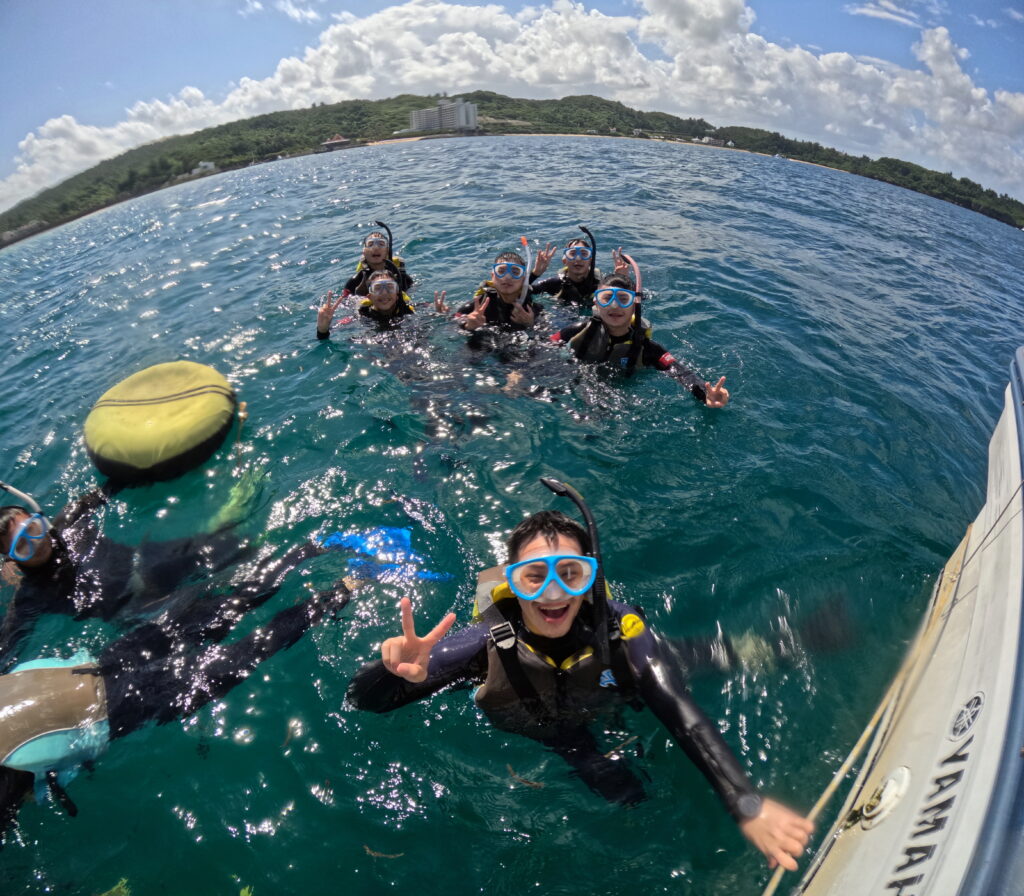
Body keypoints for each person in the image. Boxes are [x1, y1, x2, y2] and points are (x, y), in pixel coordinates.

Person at [348, 480, 813, 872]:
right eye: (535, 576)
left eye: (570, 573)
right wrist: (391, 674)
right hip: (545, 724)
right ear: (513, 581)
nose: (553, 592)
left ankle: (795, 641)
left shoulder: (624, 633)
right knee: (623, 793)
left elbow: (681, 712)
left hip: (610, 683)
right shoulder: (481, 643)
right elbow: (362, 701)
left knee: (705, 657)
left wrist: (745, 802)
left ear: (590, 579)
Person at [0, 544, 353, 834]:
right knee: (228, 608)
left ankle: (343, 587)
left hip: (125, 698)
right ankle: (317, 551)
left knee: (243, 646)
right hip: (111, 665)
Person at [0, 478, 259, 669]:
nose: (36, 542)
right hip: (142, 611)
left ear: (38, 517)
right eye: (22, 545)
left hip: (153, 564)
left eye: (33, 528)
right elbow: (7, 647)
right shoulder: (31, 596)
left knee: (241, 547)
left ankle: (227, 520)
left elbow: (115, 484)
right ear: (11, 556)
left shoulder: (70, 521)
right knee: (225, 614)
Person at [551, 269, 730, 407]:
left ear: (635, 304)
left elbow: (681, 373)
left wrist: (704, 394)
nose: (614, 305)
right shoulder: (578, 330)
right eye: (606, 298)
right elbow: (545, 345)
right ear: (596, 303)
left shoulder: (647, 349)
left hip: (619, 395)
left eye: (623, 299)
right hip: (572, 384)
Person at [437, 251, 543, 333]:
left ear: (524, 279)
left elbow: (548, 339)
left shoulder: (533, 310)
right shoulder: (478, 305)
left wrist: (530, 324)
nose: (508, 276)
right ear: (493, 277)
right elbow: (451, 324)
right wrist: (468, 326)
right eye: (501, 271)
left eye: (516, 272)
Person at [316, 269, 417, 337]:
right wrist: (322, 329)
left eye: (390, 287)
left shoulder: (409, 312)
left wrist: (434, 314)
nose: (384, 292)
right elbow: (333, 330)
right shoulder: (361, 315)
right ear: (369, 296)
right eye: (377, 288)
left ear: (397, 295)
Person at [340, 224, 414, 297]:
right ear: (364, 252)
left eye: (381, 244)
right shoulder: (354, 283)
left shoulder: (403, 278)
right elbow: (344, 302)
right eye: (370, 244)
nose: (376, 247)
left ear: (387, 251)